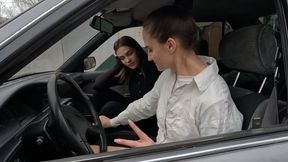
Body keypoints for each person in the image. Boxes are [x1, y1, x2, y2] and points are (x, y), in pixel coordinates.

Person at [99, 5, 243, 148]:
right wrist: (112, 122)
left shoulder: (214, 100)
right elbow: (146, 105)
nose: (148, 57)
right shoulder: (168, 75)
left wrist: (154, 151)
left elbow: (216, 157)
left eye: (150, 49)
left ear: (170, 45)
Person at [93, 36, 160, 138]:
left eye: (129, 53)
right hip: (135, 110)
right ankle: (99, 127)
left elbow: (150, 107)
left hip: (148, 118)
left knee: (111, 107)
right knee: (100, 95)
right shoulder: (131, 71)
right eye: (122, 58)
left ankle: (97, 135)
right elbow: (98, 85)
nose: (128, 60)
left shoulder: (153, 67)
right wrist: (119, 65)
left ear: (137, 50)